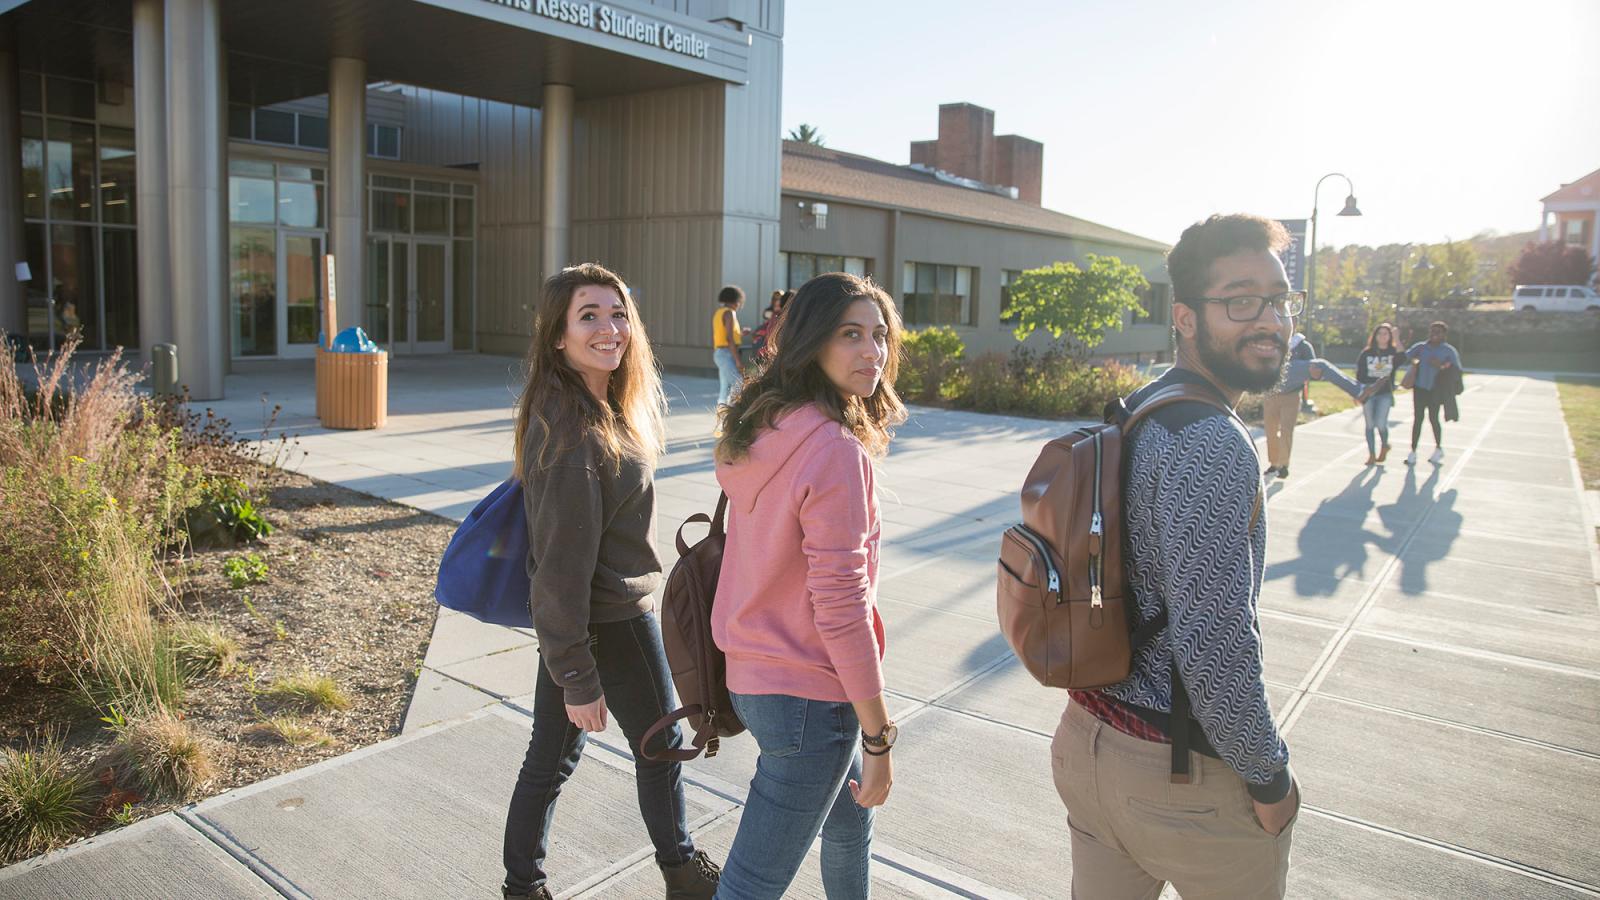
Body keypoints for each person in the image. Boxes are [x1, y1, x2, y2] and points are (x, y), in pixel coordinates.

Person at [1056, 214, 1300, 900]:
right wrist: (1269, 776)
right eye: (1241, 300)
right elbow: (1216, 643)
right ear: (1187, 318)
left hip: (1087, 743)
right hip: (1179, 776)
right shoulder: (1213, 443)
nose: (1269, 320)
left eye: (1279, 300)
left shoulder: (1141, 406)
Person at [502, 263, 720, 900]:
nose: (610, 328)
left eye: (618, 313)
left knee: (550, 759)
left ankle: (523, 888)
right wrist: (576, 673)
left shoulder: (591, 409)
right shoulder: (574, 434)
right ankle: (682, 871)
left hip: (583, 623)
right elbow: (559, 570)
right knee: (662, 745)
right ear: (558, 336)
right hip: (607, 620)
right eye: (589, 316)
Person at [710, 272, 908, 899]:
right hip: (808, 697)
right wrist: (878, 734)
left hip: (753, 677)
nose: (871, 351)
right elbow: (842, 603)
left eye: (879, 336)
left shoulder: (766, 425)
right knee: (751, 886)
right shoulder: (832, 448)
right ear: (812, 341)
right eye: (850, 335)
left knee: (849, 822)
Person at [1261, 331, 1362, 479]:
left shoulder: (1302, 345)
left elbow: (1314, 370)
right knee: (1270, 430)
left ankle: (1283, 465)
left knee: (1286, 431)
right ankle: (1274, 463)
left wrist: (1316, 374)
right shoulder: (1272, 339)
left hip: (1291, 394)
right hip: (1271, 393)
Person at [1403, 320, 1463, 466]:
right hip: (1420, 388)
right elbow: (1405, 357)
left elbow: (1457, 371)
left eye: (1438, 332)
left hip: (1436, 390)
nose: (1434, 334)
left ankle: (1438, 448)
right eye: (1432, 331)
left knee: (1433, 418)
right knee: (1418, 419)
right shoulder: (1421, 347)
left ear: (1444, 334)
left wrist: (1442, 366)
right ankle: (1413, 451)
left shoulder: (1448, 351)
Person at [1355, 322, 1404, 465]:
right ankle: (1371, 454)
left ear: (1389, 336)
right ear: (1375, 336)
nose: (1382, 336)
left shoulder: (1393, 353)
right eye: (1380, 333)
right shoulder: (1367, 353)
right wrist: (1360, 392)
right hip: (1369, 393)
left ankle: (1384, 445)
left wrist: (1397, 337)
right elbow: (1360, 375)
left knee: (1381, 423)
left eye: (1386, 334)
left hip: (1385, 394)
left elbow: (1403, 358)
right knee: (1369, 424)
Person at [712, 285, 746, 406]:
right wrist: (738, 361)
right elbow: (729, 339)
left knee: (725, 389)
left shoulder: (719, 313)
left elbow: (725, 335)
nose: (739, 305)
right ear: (735, 300)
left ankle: (723, 414)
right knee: (739, 383)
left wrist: (740, 334)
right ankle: (733, 411)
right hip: (726, 353)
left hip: (720, 353)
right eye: (739, 302)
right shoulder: (729, 313)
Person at [750, 289, 791, 361]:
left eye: (779, 298)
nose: (777, 300)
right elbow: (766, 317)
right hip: (768, 331)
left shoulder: (781, 312)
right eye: (775, 298)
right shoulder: (770, 311)